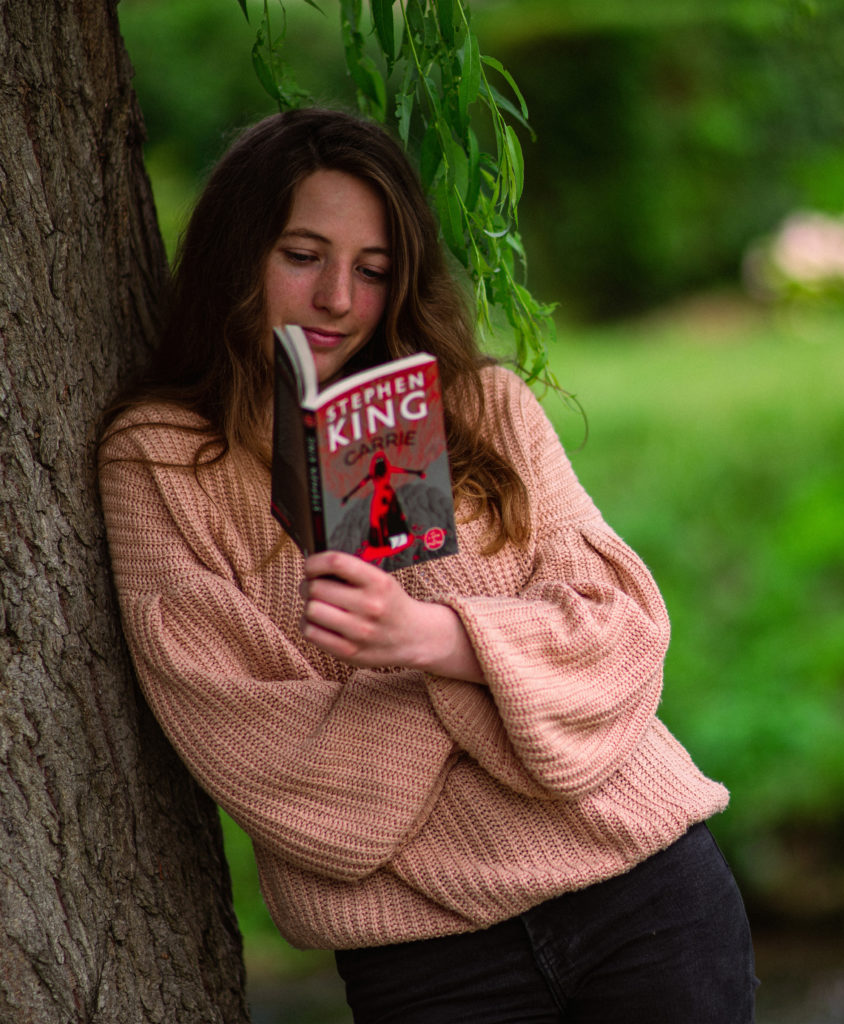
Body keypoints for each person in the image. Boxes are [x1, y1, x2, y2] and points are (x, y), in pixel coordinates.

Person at [99, 107, 758, 1023]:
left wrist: (435, 640)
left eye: (373, 270)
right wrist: (513, 685)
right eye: (302, 255)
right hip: (427, 964)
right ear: (235, 258)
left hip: (646, 898)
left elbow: (624, 636)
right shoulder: (164, 459)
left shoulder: (483, 404)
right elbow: (260, 752)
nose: (338, 297)